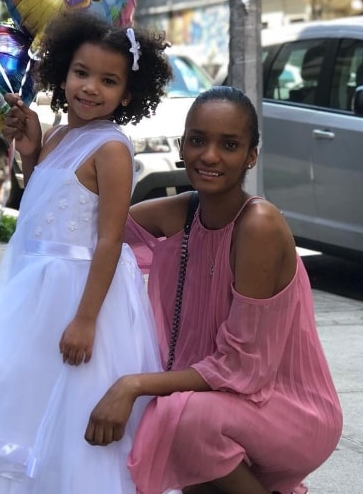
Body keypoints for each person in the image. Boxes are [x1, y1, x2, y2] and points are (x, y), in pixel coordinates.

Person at [0, 13, 173, 493]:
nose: (91, 88)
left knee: (72, 410)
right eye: (82, 73)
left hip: (81, 297)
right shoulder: (59, 133)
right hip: (40, 298)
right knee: (29, 405)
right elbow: (45, 202)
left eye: (109, 80)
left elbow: (108, 238)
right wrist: (32, 153)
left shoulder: (111, 148)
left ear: (129, 92)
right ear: (62, 72)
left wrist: (85, 319)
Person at [86, 85, 343, 494]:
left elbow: (242, 368)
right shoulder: (179, 212)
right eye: (198, 140)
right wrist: (38, 150)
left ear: (251, 155)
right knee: (178, 428)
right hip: (220, 402)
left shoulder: (258, 224)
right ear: (182, 144)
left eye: (229, 144)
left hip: (286, 408)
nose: (209, 156)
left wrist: (133, 384)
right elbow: (85, 231)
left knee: (182, 420)